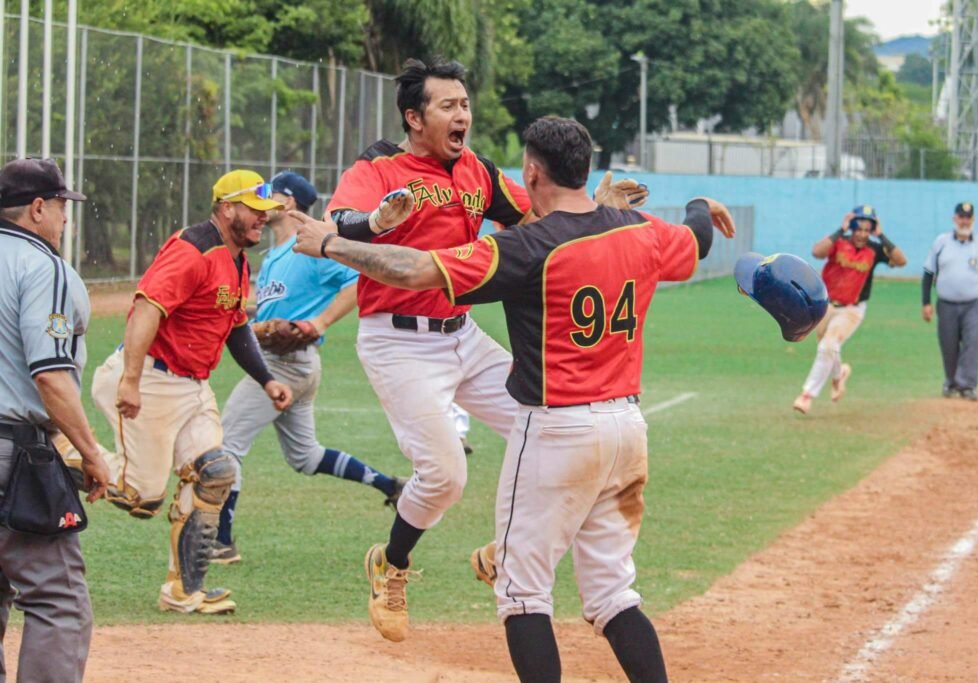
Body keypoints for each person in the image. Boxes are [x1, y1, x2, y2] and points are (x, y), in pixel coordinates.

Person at [294, 115, 736, 682]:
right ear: (587, 168)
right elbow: (695, 238)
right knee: (612, 596)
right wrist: (700, 202)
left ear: (531, 171)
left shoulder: (526, 247)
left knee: (523, 596)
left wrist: (330, 243)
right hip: (627, 429)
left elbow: (415, 269)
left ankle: (458, 556)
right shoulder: (637, 229)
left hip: (557, 431)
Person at [319, 57, 647, 642]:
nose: (462, 115)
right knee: (445, 477)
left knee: (555, 427)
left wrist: (600, 203)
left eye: (464, 104)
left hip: (462, 335)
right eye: (448, 106)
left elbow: (546, 215)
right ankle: (390, 564)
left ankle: (509, 551)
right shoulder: (380, 165)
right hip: (398, 342)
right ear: (414, 117)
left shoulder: (477, 171)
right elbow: (338, 222)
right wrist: (374, 220)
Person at [90, 170, 294, 615]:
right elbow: (146, 307)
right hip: (151, 378)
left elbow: (236, 326)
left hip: (192, 386)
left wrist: (267, 379)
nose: (262, 220)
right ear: (226, 209)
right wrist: (129, 379)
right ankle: (67, 450)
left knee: (215, 472)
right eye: (254, 211)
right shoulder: (194, 250)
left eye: (266, 213)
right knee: (140, 498)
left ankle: (182, 591)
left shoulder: (237, 258)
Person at [211, 171, 407, 565]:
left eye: (270, 193)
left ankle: (221, 541)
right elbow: (265, 311)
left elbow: (356, 282)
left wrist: (319, 323)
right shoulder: (272, 258)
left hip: (284, 364)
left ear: (288, 202)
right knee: (305, 456)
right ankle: (390, 484)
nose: (263, 202)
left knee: (226, 444)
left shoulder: (308, 250)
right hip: (291, 363)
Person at [0, 157, 110, 680]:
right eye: (62, 206)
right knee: (58, 601)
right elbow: (50, 376)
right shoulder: (42, 266)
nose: (66, 217)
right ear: (38, 208)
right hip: (11, 451)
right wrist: (91, 452)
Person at [792, 205, 907, 414]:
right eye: (858, 228)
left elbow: (901, 260)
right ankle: (838, 376)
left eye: (867, 229)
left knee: (828, 346)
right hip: (824, 305)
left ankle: (807, 395)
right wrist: (840, 230)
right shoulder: (839, 242)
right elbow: (817, 252)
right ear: (851, 228)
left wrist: (881, 236)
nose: (862, 234)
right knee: (829, 347)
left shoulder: (875, 249)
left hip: (852, 310)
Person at [921, 201, 978, 400]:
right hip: (946, 303)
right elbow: (928, 272)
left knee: (972, 342)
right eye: (961, 217)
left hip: (974, 303)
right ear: (955, 218)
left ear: (973, 220)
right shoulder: (941, 242)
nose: (964, 221)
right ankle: (951, 383)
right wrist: (925, 302)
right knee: (948, 344)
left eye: (968, 217)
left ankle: (968, 385)